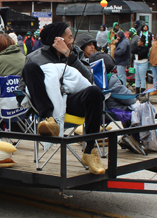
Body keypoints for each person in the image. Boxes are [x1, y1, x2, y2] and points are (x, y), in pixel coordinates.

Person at [19, 22, 105, 175]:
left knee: (95, 92)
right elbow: (22, 87)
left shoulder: (75, 53)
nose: (73, 40)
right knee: (30, 69)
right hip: (47, 104)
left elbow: (89, 79)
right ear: (57, 39)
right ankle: (49, 120)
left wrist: (68, 55)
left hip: (72, 100)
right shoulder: (34, 57)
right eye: (70, 37)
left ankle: (90, 151)